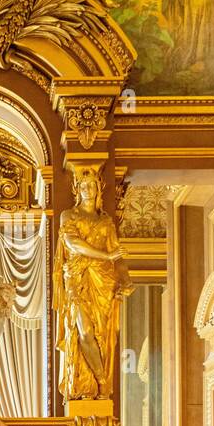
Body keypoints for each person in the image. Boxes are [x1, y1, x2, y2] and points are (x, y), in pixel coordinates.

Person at [53, 168, 131, 401]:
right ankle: (100, 380)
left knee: (104, 335)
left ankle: (98, 389)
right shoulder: (69, 216)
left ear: (98, 189)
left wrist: (124, 278)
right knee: (84, 331)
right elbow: (72, 243)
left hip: (103, 281)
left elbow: (118, 254)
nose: (88, 189)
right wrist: (105, 256)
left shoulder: (106, 221)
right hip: (77, 277)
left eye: (92, 185)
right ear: (77, 190)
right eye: (83, 185)